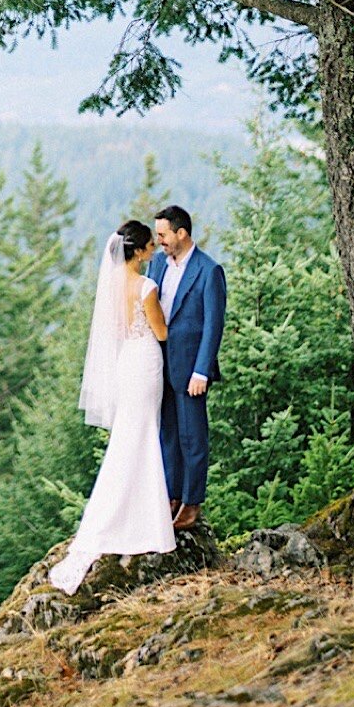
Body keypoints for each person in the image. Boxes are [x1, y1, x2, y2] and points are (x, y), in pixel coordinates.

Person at [49, 219, 176, 594]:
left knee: (128, 437)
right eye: (150, 245)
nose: (154, 250)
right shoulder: (146, 287)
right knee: (143, 437)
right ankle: (143, 520)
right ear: (138, 251)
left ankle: (126, 512)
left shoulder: (110, 285)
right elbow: (162, 332)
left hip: (124, 366)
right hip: (145, 363)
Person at [149, 205, 226, 531]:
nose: (159, 240)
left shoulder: (209, 271)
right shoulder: (157, 264)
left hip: (190, 368)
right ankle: (172, 497)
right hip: (157, 363)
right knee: (168, 434)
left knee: (193, 437)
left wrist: (201, 371)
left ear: (182, 233)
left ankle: (192, 503)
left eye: (163, 234)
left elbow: (213, 324)